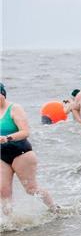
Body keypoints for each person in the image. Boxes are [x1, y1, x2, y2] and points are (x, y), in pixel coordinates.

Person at [0, 83, 57, 215]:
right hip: (2, 156)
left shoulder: (14, 108)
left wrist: (7, 138)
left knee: (31, 189)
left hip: (21, 153)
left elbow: (25, 132)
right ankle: (10, 223)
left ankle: (55, 209)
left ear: (2, 94)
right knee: (3, 191)